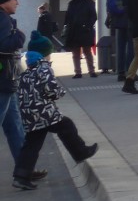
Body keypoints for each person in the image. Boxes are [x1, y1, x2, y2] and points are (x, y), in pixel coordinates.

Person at [12, 31, 99, 190]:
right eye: (49, 54)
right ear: (46, 55)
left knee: (31, 144)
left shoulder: (27, 72)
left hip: (29, 114)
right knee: (66, 126)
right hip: (44, 112)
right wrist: (59, 93)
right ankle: (80, 152)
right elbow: (50, 89)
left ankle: (21, 176)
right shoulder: (44, 68)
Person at [0, 0, 35, 177]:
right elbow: (4, 46)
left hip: (7, 80)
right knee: (13, 126)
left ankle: (25, 169)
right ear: (4, 1)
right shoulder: (3, 19)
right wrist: (20, 35)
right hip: (3, 80)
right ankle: (24, 170)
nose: (18, 3)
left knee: (14, 126)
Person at [63, 0, 98, 78]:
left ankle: (91, 71)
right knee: (75, 53)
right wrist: (67, 26)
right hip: (74, 31)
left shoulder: (89, 2)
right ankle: (78, 72)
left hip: (85, 30)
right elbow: (67, 17)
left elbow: (93, 16)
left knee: (87, 52)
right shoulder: (71, 3)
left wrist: (88, 26)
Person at [106, 0, 135, 81]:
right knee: (131, 48)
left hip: (117, 21)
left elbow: (109, 4)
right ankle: (130, 71)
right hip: (129, 20)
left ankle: (120, 72)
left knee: (121, 47)